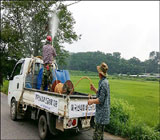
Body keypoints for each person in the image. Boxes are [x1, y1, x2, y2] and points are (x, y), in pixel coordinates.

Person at [88, 62, 110, 140]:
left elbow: (100, 100)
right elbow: (101, 94)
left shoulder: (104, 83)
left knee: (97, 135)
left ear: (100, 74)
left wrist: (91, 101)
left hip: (102, 114)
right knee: (99, 135)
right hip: (101, 113)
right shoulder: (103, 81)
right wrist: (94, 89)